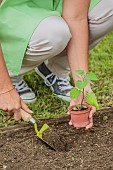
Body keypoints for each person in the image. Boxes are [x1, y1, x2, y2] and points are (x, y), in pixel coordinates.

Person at [0, 0, 113, 128]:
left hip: (55, 4)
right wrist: (5, 89)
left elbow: (76, 17)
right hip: (15, 9)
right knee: (54, 32)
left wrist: (82, 86)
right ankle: (11, 75)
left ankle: (53, 69)